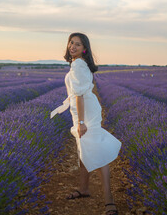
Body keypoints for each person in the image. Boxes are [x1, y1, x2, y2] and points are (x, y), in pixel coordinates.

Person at [50, 32, 121, 215]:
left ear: (84, 49)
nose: (72, 46)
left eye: (77, 44)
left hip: (84, 113)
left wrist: (82, 121)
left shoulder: (78, 66)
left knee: (97, 153)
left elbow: (80, 95)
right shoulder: (78, 64)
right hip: (82, 110)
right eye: (71, 43)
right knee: (84, 150)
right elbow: (84, 91)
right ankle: (84, 188)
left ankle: (109, 200)